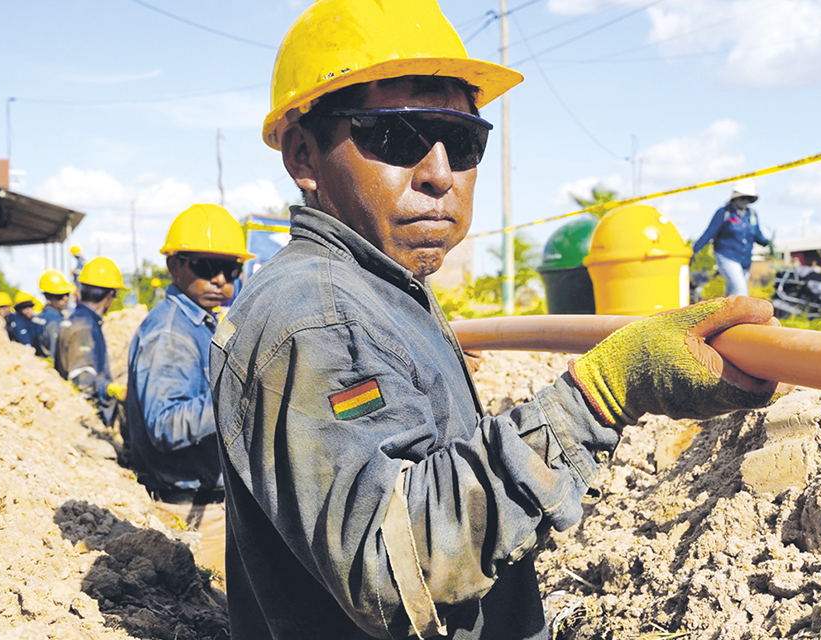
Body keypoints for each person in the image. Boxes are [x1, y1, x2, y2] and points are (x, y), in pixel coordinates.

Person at [207, 1, 788, 638]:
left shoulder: (378, 291)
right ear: (303, 155)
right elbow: (397, 568)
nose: (438, 173)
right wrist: (604, 393)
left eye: (462, 142)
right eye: (395, 137)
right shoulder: (319, 317)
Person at [125, 203, 252, 574]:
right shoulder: (171, 334)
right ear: (174, 265)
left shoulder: (197, 323)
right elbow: (165, 425)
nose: (220, 280)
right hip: (189, 512)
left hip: (206, 506)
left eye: (231, 270)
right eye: (206, 267)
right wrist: (239, 398)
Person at [56, 256, 126, 426]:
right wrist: (113, 389)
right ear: (110, 295)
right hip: (88, 421)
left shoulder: (77, 320)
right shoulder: (84, 328)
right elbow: (83, 382)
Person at [691, 178, 772, 298]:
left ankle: (724, 316)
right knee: (741, 291)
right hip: (727, 256)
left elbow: (756, 234)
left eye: (747, 198)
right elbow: (709, 233)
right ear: (735, 197)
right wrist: (694, 250)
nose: (744, 201)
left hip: (744, 260)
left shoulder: (752, 214)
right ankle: (746, 316)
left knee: (732, 294)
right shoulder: (724, 213)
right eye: (742, 197)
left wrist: (767, 243)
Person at [37, 269, 75, 360]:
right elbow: (58, 357)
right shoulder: (55, 322)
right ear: (47, 297)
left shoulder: (40, 317)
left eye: (67, 294)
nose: (65, 299)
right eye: (60, 296)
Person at [6, 291, 47, 357]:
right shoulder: (18, 323)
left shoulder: (31, 320)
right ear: (19, 309)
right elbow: (27, 345)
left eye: (30, 307)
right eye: (25, 307)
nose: (28, 310)